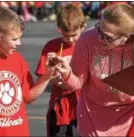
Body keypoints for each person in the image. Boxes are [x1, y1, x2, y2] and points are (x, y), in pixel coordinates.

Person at [47, 4, 134, 136]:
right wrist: (66, 73)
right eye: (99, 28)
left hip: (130, 119)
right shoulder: (87, 39)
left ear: (126, 37)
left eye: (108, 37)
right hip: (92, 117)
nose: (99, 38)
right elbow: (77, 84)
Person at [0, 7, 56, 136]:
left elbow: (28, 97)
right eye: (14, 39)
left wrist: (47, 75)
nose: (19, 43)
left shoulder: (17, 60)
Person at [35, 4, 86, 137]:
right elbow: (42, 78)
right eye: (65, 35)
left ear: (83, 27)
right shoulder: (52, 47)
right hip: (60, 107)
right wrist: (55, 79)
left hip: (83, 106)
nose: (69, 39)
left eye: (74, 35)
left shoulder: (88, 45)